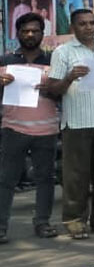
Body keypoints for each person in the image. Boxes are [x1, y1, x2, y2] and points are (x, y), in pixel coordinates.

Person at [46, 8, 94, 239]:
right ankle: (74, 219)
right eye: (83, 24)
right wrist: (70, 77)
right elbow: (53, 89)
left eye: (91, 23)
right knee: (76, 175)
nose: (88, 27)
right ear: (73, 27)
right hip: (77, 121)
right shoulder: (63, 52)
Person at [0, 13, 60, 242]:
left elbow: (63, 93)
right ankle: (1, 226)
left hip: (46, 131)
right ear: (18, 33)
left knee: (45, 178)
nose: (30, 34)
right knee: (6, 179)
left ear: (42, 34)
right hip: (13, 129)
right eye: (25, 31)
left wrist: (52, 90)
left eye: (35, 30)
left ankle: (43, 223)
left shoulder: (53, 60)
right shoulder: (5, 61)